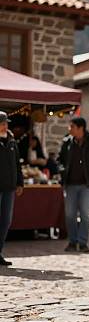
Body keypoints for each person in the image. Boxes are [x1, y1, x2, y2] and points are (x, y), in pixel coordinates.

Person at [58, 117, 89, 252]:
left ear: (80, 128)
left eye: (71, 126)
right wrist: (62, 170)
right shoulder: (66, 143)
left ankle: (83, 243)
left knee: (85, 214)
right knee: (69, 215)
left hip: (88, 185)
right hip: (70, 185)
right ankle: (72, 242)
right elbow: (59, 160)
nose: (69, 129)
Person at [0, 112, 23, 266]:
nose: (5, 125)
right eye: (2, 123)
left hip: (9, 187)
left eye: (6, 123)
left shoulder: (12, 141)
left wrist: (20, 182)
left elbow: (17, 164)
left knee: (6, 221)